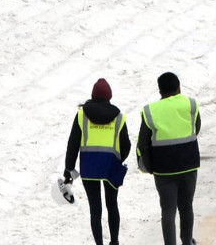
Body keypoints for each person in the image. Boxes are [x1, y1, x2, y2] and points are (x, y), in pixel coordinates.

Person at [138, 72, 202, 245]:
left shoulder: (150, 111)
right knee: (186, 206)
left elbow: (143, 144)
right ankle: (187, 241)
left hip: (163, 169)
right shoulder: (191, 104)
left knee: (168, 210)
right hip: (188, 165)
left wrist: (150, 167)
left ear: (160, 91)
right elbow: (196, 129)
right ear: (179, 87)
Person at [64, 78, 131, 245]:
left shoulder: (81, 116)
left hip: (89, 167)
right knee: (112, 205)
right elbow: (126, 145)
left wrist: (69, 169)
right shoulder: (119, 118)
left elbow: (73, 144)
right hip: (111, 166)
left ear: (93, 96)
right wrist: (117, 159)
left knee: (95, 209)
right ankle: (114, 241)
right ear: (109, 96)